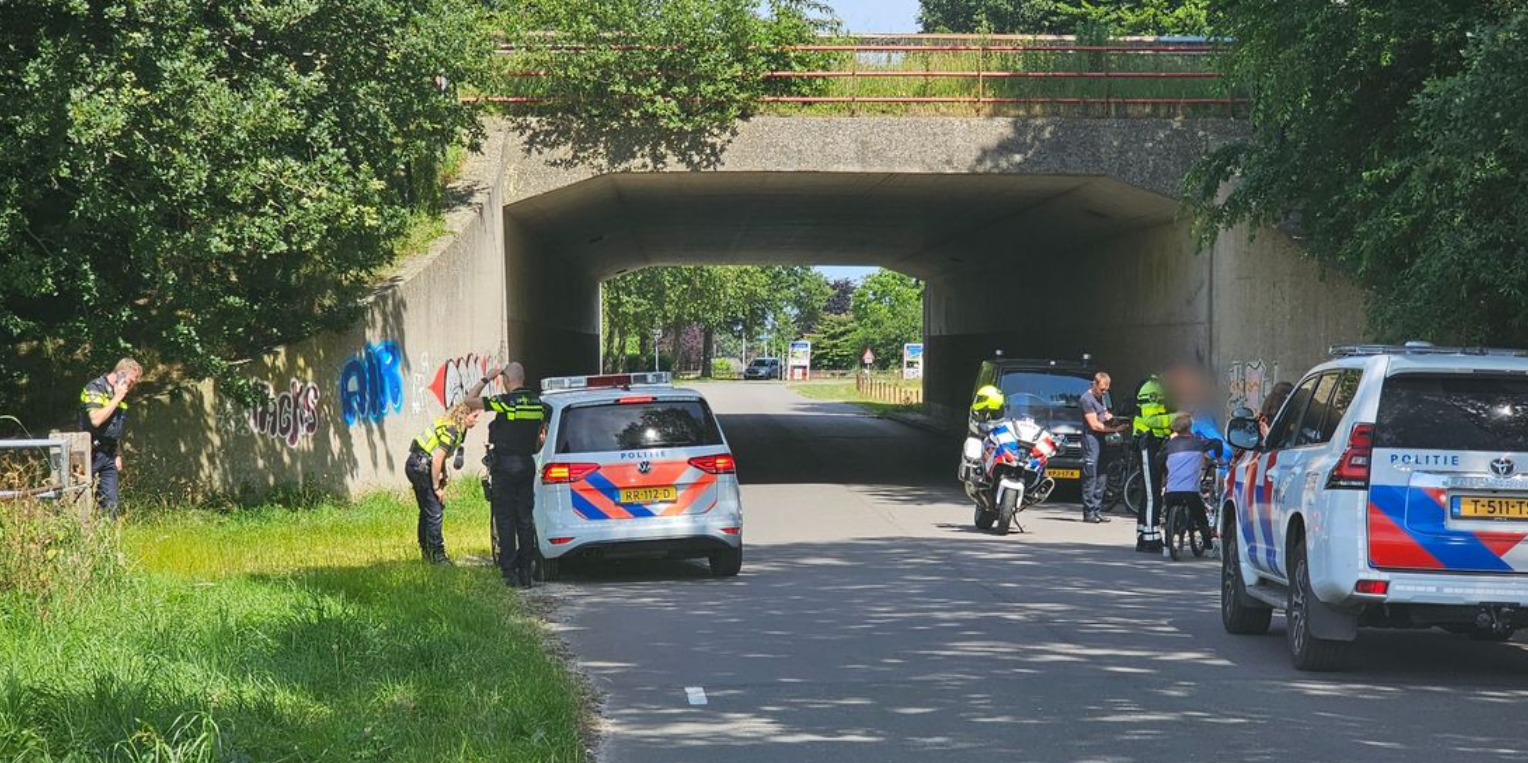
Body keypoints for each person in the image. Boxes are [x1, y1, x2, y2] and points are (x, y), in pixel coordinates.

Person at [470, 362, 549, 588]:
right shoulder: (538, 404)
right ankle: (526, 571)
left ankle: (509, 572)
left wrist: (486, 379)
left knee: (505, 519)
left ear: (505, 380)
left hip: (505, 466)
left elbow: (468, 401)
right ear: (523, 378)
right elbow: (539, 441)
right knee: (524, 518)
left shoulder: (506, 402)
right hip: (526, 464)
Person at [406, 402, 482, 565]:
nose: (477, 421)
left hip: (416, 462)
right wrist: (436, 487)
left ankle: (427, 553)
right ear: (464, 415)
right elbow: (437, 458)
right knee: (434, 511)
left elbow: (439, 456)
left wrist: (444, 473)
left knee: (427, 510)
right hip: (421, 465)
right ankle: (437, 555)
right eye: (474, 416)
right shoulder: (452, 430)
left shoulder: (450, 424)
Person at [78, 358, 142, 519]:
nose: (131, 386)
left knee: (111, 505)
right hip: (89, 453)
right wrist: (117, 398)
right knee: (80, 500)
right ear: (120, 374)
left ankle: (109, 540)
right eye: (130, 381)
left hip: (109, 455)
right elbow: (96, 420)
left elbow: (115, 428)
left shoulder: (119, 394)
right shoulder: (95, 388)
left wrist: (117, 453)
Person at [1132, 375, 1176, 552]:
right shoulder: (1152, 389)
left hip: (1155, 443)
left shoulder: (1163, 389)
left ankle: (1144, 535)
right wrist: (1176, 417)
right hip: (1147, 443)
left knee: (1149, 492)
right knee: (1152, 494)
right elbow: (1150, 420)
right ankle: (1151, 539)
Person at [1161, 413, 1211, 557]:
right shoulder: (1198, 443)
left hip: (1171, 490)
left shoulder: (1169, 445)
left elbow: (1159, 459)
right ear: (1190, 427)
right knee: (1201, 517)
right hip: (1190, 491)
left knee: (1168, 515)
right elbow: (1216, 444)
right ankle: (1208, 547)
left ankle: (1166, 546)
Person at [1079, 372, 1127, 524]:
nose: (1104, 392)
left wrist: (1111, 419)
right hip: (1091, 438)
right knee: (1091, 475)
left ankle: (1098, 510)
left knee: (1102, 474)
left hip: (1102, 438)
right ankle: (1088, 512)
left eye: (1106, 390)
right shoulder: (1086, 399)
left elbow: (1104, 413)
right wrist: (1114, 429)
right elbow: (1094, 424)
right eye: (1101, 389)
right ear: (1094, 384)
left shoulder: (1102, 397)